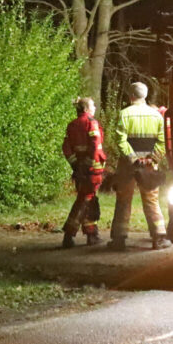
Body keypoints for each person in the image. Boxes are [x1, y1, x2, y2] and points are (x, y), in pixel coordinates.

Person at [108, 82, 171, 250]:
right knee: (151, 200)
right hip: (150, 165)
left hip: (128, 165)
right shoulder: (157, 116)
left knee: (123, 200)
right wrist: (153, 158)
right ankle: (158, 238)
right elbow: (163, 140)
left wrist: (133, 158)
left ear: (131, 96)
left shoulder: (124, 114)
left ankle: (119, 240)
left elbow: (120, 140)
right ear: (145, 96)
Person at [60, 96, 106, 248]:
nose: (95, 108)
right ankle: (69, 233)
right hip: (92, 170)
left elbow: (66, 148)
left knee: (88, 199)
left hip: (80, 169)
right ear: (86, 109)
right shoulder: (91, 123)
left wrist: (76, 165)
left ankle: (91, 234)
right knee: (84, 200)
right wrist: (87, 165)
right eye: (93, 106)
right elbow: (95, 145)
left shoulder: (72, 125)